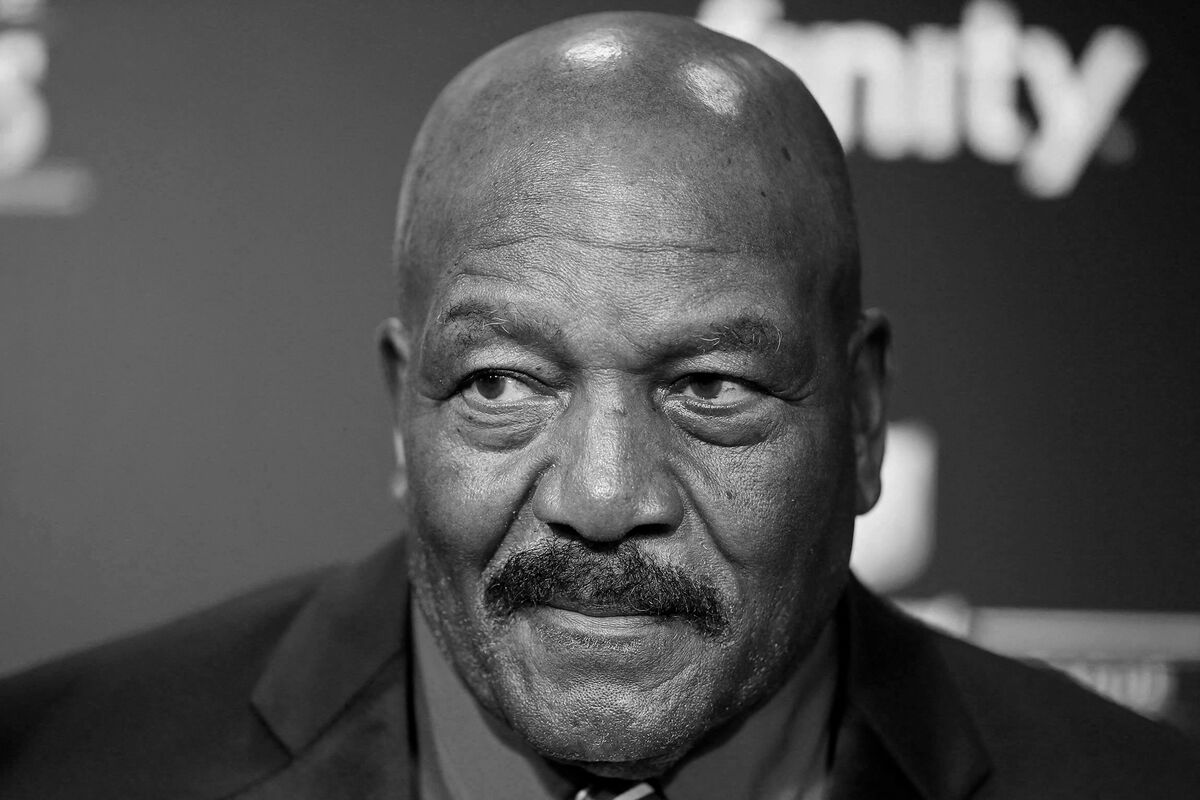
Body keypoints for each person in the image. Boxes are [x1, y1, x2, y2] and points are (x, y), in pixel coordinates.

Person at [0, 11, 1196, 800]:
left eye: (711, 386)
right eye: (501, 382)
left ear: (864, 415)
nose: (605, 496)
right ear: (404, 414)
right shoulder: (60, 768)